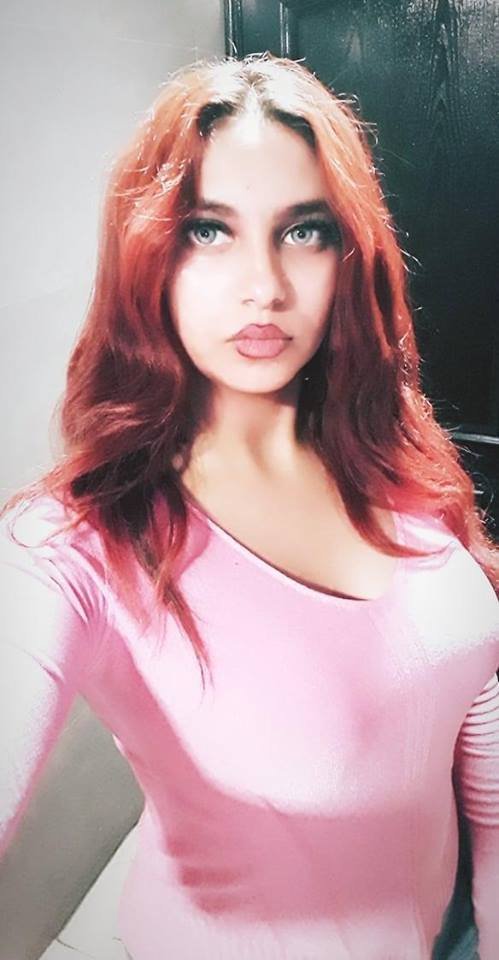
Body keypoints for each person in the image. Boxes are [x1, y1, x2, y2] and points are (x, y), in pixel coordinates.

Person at [1, 51, 498, 960]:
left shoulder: (393, 455)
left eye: (303, 230)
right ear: (148, 254)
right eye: (208, 230)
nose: (263, 284)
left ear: (349, 254)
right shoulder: (72, 545)